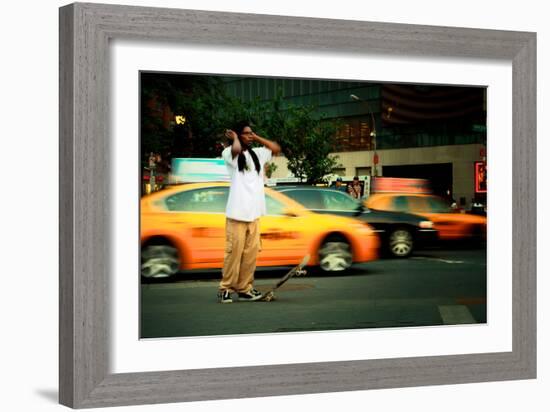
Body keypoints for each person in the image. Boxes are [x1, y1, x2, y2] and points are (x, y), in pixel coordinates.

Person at [218, 122, 281, 303]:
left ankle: (245, 288)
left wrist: (256, 136)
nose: (249, 136)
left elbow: (275, 148)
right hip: (237, 215)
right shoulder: (229, 152)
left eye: (251, 133)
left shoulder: (257, 154)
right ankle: (225, 288)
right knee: (234, 254)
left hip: (254, 215)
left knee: (250, 255)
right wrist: (236, 139)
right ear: (236, 135)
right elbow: (236, 149)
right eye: (246, 133)